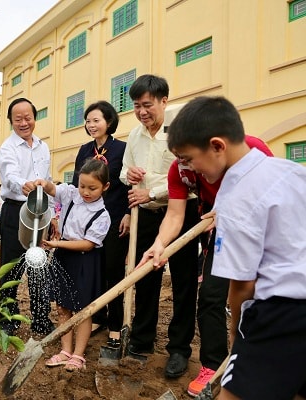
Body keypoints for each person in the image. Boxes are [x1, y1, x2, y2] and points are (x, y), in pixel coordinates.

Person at [166, 95, 306, 400]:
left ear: (217, 146)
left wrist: (238, 332)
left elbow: (242, 284)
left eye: (189, 158)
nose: (188, 168)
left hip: (282, 311)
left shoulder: (234, 196)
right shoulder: (291, 171)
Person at [139, 133, 272, 397]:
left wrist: (233, 212)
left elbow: (272, 198)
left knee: (263, 299)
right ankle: (215, 365)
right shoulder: (180, 169)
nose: (184, 165)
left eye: (189, 157)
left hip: (265, 231)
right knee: (211, 295)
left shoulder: (251, 152)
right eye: (178, 157)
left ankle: (259, 360)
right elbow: (175, 214)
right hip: (222, 230)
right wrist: (159, 243)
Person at [119, 75, 200, 378]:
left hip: (182, 212)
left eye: (148, 105)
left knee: (184, 280)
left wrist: (151, 191)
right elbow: (125, 172)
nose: (142, 112)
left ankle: (179, 349)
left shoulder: (181, 124)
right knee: (145, 277)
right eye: (137, 106)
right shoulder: (135, 135)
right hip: (148, 215)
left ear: (164, 101)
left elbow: (190, 172)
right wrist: (131, 174)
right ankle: (142, 340)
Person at [37, 158, 111, 371]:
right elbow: (53, 189)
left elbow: (88, 244)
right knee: (62, 307)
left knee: (82, 310)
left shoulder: (102, 215)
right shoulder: (71, 194)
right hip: (63, 256)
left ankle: (78, 355)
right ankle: (65, 350)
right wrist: (43, 183)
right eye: (82, 186)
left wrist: (56, 243)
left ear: (105, 187)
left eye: (92, 188)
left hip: (85, 261)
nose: (85, 192)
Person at [72, 100, 130, 347]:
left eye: (96, 120)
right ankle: (98, 316)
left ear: (109, 122)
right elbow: (78, 187)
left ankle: (116, 323)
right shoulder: (84, 150)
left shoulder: (122, 149)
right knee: (92, 271)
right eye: (88, 121)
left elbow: (130, 184)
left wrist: (128, 212)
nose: (91, 125)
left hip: (116, 218)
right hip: (88, 221)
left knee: (113, 271)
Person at [0, 97, 56, 336]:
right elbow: (10, 174)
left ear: (35, 118)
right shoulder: (7, 147)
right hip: (15, 210)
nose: (24, 122)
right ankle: (7, 320)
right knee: (11, 267)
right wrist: (24, 184)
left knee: (38, 267)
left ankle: (41, 319)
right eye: (18, 119)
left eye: (28, 117)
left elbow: (49, 180)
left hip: (40, 212)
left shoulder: (43, 146)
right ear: (11, 121)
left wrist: (52, 214)